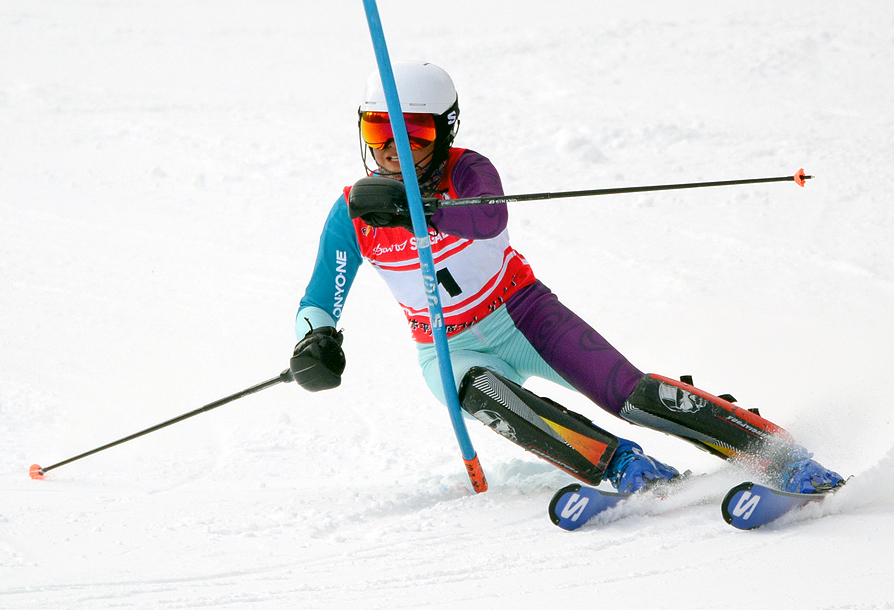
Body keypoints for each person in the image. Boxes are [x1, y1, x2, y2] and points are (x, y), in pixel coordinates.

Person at [290, 60, 844, 495]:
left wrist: (420, 210)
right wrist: (315, 340)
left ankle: (778, 453)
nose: (393, 149)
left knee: (630, 394)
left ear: (445, 130)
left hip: (523, 314)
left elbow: (489, 217)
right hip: (445, 347)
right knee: (493, 400)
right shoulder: (352, 212)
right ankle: (624, 466)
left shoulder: (467, 169)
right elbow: (321, 296)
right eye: (378, 129)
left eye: (414, 133)